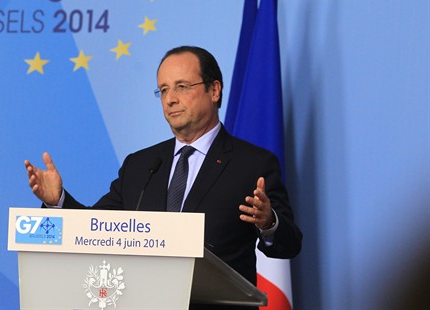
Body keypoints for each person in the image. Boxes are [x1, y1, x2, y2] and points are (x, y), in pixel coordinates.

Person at [25, 46, 302, 309]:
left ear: (214, 90)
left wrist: (269, 223)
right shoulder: (141, 165)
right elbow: (96, 230)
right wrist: (57, 202)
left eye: (182, 86)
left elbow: (289, 244)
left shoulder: (252, 164)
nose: (170, 99)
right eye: (163, 90)